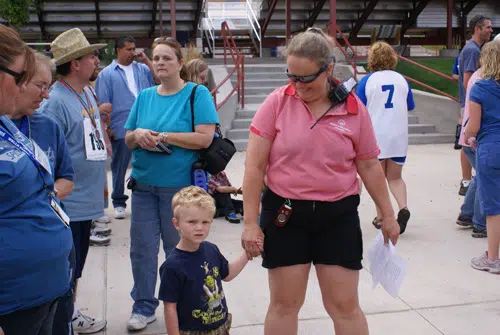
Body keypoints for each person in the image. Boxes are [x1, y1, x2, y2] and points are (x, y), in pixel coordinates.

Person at [241, 30, 400, 335]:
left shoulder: (354, 109)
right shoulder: (276, 103)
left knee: (344, 306)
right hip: (285, 215)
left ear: (328, 69)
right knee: (285, 304)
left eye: (306, 79)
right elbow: (254, 167)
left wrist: (389, 214)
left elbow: (368, 165)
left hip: (337, 217)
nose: (298, 87)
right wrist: (250, 222)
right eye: (292, 77)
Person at [124, 38, 219, 331]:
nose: (161, 63)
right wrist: (138, 134)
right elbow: (126, 139)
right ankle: (143, 305)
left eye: (167, 58)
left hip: (178, 191)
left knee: (177, 250)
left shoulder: (196, 93)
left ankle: (184, 303)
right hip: (143, 186)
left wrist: (163, 136)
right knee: (141, 250)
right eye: (156, 58)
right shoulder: (144, 97)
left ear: (179, 63)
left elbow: (204, 137)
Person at [0, 24, 72, 335]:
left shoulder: (7, 125)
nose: (22, 89)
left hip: (44, 289)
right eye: (21, 78)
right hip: (14, 302)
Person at [38, 28, 108, 333]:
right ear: (75, 63)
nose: (96, 59)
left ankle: (71, 314)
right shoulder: (55, 102)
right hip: (69, 204)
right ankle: (63, 321)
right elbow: (47, 156)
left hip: (87, 200)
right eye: (91, 55)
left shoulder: (86, 91)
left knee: (75, 269)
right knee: (67, 271)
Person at [160, 186, 257, 334]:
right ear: (176, 224)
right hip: (192, 331)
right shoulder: (172, 266)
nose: (199, 227)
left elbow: (227, 273)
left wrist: (247, 254)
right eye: (192, 222)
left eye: (205, 222)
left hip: (220, 326)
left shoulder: (211, 249)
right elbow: (170, 306)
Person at [95, 36, 156, 220]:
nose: (132, 53)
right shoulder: (107, 74)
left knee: (148, 162)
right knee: (119, 166)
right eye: (129, 49)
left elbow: (158, 80)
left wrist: (146, 59)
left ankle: (147, 198)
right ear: (118, 50)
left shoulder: (142, 69)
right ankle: (119, 202)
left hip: (146, 123)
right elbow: (103, 101)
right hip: (121, 125)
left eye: (134, 48)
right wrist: (107, 127)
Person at [356, 41, 414, 234]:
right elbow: (409, 105)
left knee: (377, 179)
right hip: (398, 135)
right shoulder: (401, 79)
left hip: (377, 136)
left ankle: (381, 216)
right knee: (395, 177)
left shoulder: (367, 81)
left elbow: (359, 109)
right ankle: (403, 207)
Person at [465, 40, 500, 274]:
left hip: (491, 148)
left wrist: (469, 135)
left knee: (494, 207)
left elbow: (473, 127)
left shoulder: (480, 88)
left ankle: (492, 258)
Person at [457, 15, 493, 196]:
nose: (491, 30)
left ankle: (466, 181)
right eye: (488, 27)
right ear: (478, 29)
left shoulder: (472, 48)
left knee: (467, 145)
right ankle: (467, 182)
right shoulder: (472, 51)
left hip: (470, 104)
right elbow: (467, 81)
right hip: (472, 105)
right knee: (470, 146)